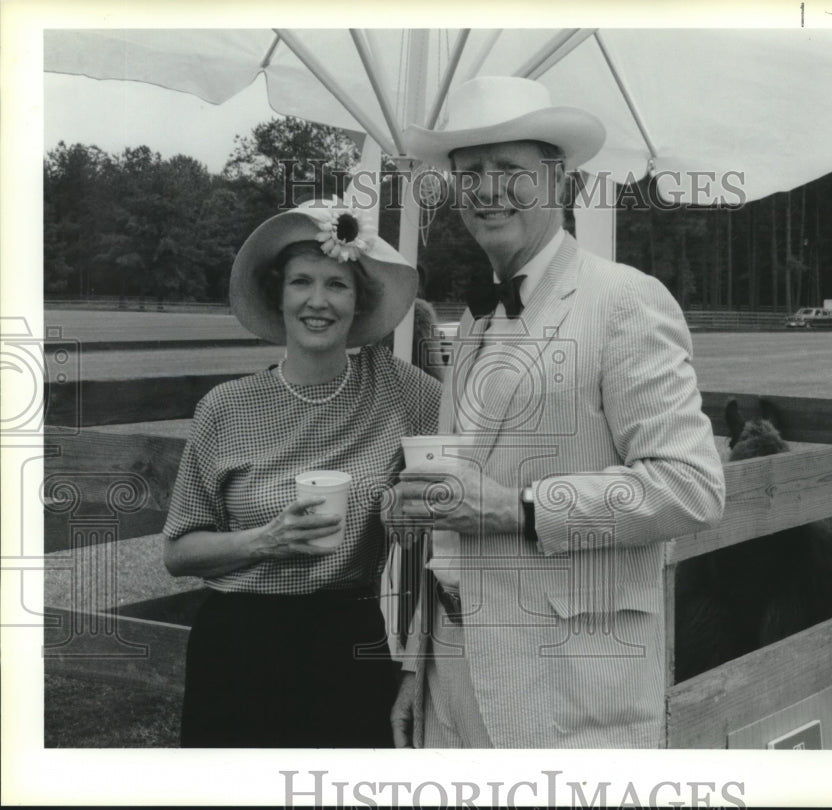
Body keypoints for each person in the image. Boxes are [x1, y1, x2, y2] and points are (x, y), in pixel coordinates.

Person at [387, 76, 726, 748]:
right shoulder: (476, 323)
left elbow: (692, 488)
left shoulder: (626, 300)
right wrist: (418, 666)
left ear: (560, 184)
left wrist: (522, 508)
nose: (487, 192)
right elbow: (463, 504)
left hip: (566, 697)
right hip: (451, 682)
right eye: (471, 173)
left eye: (510, 170)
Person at [162, 198, 440, 747]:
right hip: (239, 643)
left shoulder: (401, 390)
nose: (318, 301)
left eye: (337, 284)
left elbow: (468, 450)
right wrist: (266, 540)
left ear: (360, 302)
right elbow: (178, 553)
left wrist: (415, 508)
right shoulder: (226, 406)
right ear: (278, 295)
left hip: (349, 637)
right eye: (301, 282)